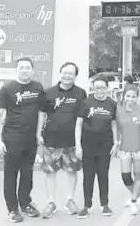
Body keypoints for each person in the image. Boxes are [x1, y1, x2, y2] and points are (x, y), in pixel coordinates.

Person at [0, 57, 47, 223]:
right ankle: (12, 209)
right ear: (16, 70)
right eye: (21, 67)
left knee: (27, 174)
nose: (24, 70)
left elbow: (41, 114)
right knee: (11, 175)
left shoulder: (38, 88)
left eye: (27, 67)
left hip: (30, 140)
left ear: (32, 70)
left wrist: (38, 134)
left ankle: (25, 203)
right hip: (11, 139)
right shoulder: (7, 89)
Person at [36, 62, 87, 218]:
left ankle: (70, 200)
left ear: (75, 76)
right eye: (65, 72)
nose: (67, 75)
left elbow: (82, 118)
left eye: (71, 73)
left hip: (71, 141)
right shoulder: (49, 92)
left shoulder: (80, 93)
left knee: (72, 172)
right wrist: (38, 133)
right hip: (51, 140)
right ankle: (51, 202)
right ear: (60, 73)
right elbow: (42, 114)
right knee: (50, 172)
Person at [75, 75, 118, 218]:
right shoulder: (86, 102)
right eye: (97, 87)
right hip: (87, 145)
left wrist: (116, 142)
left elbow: (113, 124)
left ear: (107, 88)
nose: (100, 90)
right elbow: (78, 124)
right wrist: (78, 146)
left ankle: (104, 205)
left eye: (102, 87)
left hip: (105, 145)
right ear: (93, 88)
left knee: (103, 175)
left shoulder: (112, 103)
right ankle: (87, 206)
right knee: (88, 176)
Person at [116, 81, 140, 215]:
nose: (130, 99)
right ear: (124, 96)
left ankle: (133, 201)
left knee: (137, 175)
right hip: (124, 148)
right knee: (126, 176)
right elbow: (116, 128)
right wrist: (115, 143)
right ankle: (136, 193)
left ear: (137, 97)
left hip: (138, 148)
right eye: (128, 96)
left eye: (133, 96)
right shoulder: (118, 109)